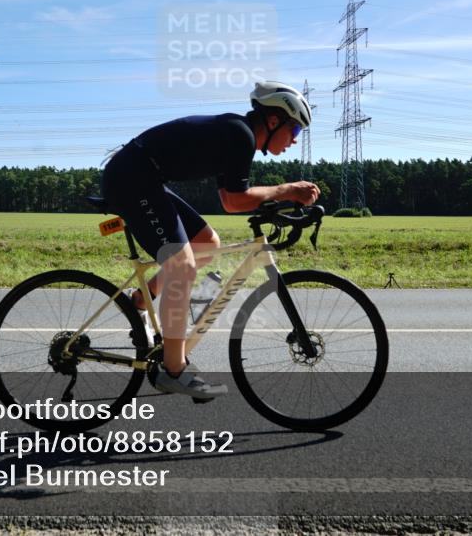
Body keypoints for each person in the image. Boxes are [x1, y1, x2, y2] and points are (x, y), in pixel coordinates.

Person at [100, 81, 321, 400]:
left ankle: (141, 300)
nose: (295, 141)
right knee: (182, 267)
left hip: (141, 176)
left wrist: (279, 199)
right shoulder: (240, 134)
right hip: (132, 178)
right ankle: (173, 370)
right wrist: (285, 191)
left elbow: (233, 199)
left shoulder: (237, 134)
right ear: (274, 121)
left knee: (207, 241)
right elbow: (235, 201)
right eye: (296, 132)